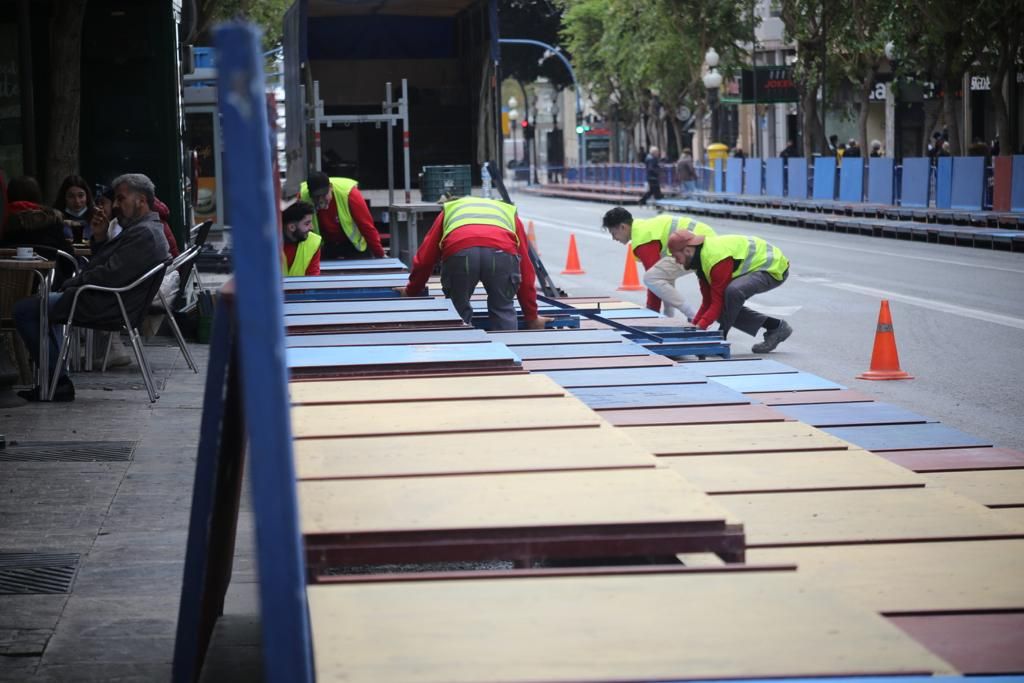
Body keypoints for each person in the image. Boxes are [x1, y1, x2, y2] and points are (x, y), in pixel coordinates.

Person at [13, 173, 170, 401]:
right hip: (107, 299)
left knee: (25, 310)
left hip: (105, 303)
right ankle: (56, 380)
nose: (115, 205)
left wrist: (71, 283)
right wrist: (100, 238)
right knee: (44, 307)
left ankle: (58, 382)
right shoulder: (144, 229)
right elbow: (110, 267)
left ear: (141, 201)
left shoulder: (144, 233)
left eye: (121, 199)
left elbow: (108, 275)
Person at [401, 195, 549, 331]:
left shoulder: (450, 209)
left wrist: (412, 290)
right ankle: (508, 356)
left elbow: (426, 259)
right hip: (501, 253)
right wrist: (532, 317)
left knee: (457, 310)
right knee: (503, 308)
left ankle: (462, 354)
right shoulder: (507, 211)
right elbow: (525, 268)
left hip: (460, 251)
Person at [667, 229, 793, 353]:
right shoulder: (699, 262)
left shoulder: (715, 259)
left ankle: (721, 339)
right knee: (723, 306)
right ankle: (775, 327)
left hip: (772, 267)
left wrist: (700, 330)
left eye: (676, 256)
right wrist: (693, 327)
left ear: (687, 250)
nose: (676, 261)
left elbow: (718, 302)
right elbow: (708, 301)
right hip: (758, 268)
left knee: (732, 292)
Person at [602, 206, 716, 318]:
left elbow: (653, 281)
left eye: (613, 233)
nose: (614, 238)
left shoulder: (643, 239)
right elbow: (660, 279)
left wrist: (651, 312)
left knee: (652, 278)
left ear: (623, 227)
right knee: (661, 276)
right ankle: (669, 315)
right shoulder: (643, 228)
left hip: (698, 247)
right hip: (703, 242)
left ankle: (693, 315)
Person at [298, 171, 385, 260]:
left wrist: (380, 254)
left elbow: (366, 226)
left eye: (324, 195)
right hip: (324, 245)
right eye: (316, 197)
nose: (321, 200)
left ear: (331, 187)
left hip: (353, 245)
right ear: (310, 195)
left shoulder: (349, 194)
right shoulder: (302, 197)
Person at [281, 200, 321, 276]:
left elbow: (313, 282)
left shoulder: (313, 242)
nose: (312, 227)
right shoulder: (267, 245)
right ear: (291, 227)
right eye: (307, 223)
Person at [53, 175, 96, 243]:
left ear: (87, 196)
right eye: (71, 196)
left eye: (81, 196)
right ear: (64, 198)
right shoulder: (56, 220)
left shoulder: (96, 218)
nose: (77, 201)